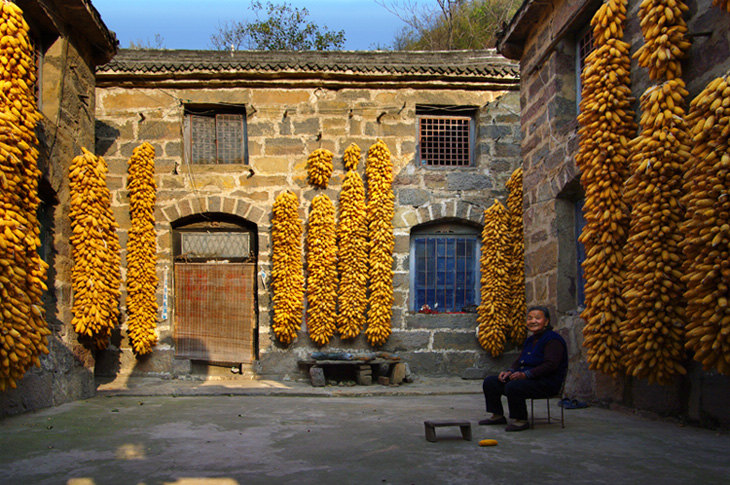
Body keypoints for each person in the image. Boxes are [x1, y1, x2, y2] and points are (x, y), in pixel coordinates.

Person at [480, 305, 568, 431]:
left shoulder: (553, 340)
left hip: (546, 383)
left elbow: (551, 365)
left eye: (537, 318)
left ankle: (520, 420)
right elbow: (519, 361)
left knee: (514, 386)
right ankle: (497, 415)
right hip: (528, 379)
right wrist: (509, 371)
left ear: (546, 321)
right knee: (491, 382)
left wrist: (526, 374)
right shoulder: (530, 340)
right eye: (530, 318)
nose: (533, 321)